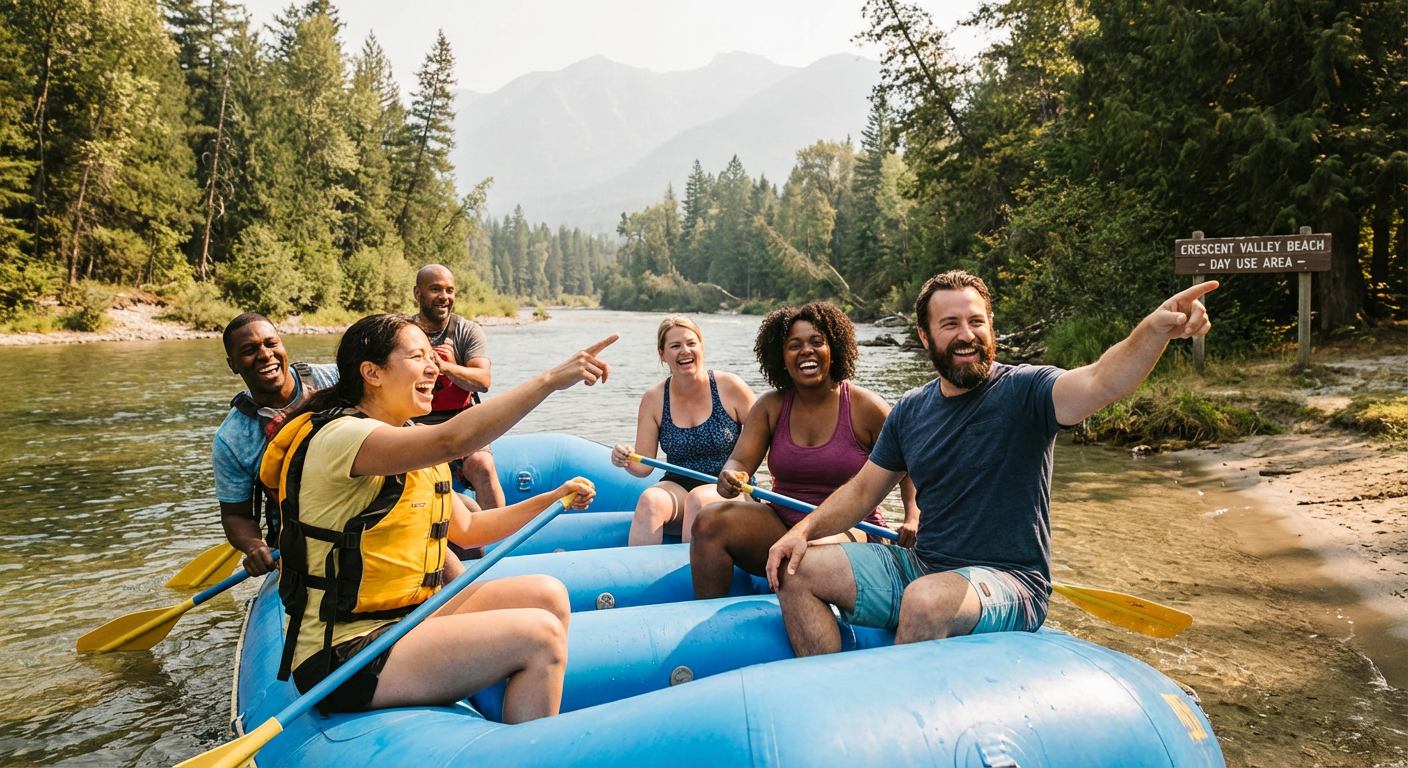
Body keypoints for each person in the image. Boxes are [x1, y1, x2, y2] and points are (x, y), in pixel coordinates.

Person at [766, 271, 1218, 656]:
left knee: (924, 601)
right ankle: (829, 693)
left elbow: (1101, 380)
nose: (966, 334)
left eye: (975, 321)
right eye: (950, 324)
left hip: (1013, 582)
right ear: (925, 336)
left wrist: (1154, 330)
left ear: (990, 327)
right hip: (925, 565)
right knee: (795, 570)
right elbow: (863, 491)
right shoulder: (910, 410)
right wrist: (801, 533)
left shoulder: (1027, 391)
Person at [260, 313, 617, 720]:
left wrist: (552, 499)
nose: (433, 368)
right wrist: (549, 380)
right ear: (372, 373)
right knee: (541, 636)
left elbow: (469, 530)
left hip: (406, 617)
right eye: (417, 357)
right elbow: (454, 439)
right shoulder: (344, 436)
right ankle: (528, 738)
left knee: (548, 594)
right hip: (345, 651)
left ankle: (517, 709)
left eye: (432, 357)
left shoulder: (405, 435)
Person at [689, 302, 919, 599]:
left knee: (806, 552)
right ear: (781, 357)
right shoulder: (770, 406)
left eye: (816, 342)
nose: (806, 351)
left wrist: (913, 517)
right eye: (794, 345)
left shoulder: (867, 407)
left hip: (854, 528)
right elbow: (739, 462)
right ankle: (709, 620)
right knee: (709, 521)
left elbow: (909, 470)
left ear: (833, 349)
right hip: (782, 524)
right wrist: (730, 476)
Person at [610, 316, 756, 545]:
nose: (685, 351)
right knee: (650, 499)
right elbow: (644, 466)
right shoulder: (654, 398)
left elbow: (767, 439)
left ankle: (690, 567)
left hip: (731, 489)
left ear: (701, 347)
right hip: (678, 486)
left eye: (691, 343)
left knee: (698, 500)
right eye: (675, 346)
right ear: (662, 354)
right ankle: (643, 568)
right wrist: (625, 459)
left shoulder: (731, 387)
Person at [213, 313, 338, 577]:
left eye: (271, 344)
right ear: (233, 365)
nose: (265, 355)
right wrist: (254, 546)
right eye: (249, 351)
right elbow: (235, 515)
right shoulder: (231, 438)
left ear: (282, 345)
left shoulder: (336, 379)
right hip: (301, 543)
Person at [412, 264, 505, 511]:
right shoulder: (403, 333)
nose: (444, 296)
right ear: (418, 294)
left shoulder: (467, 331)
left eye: (449, 290)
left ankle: (499, 531)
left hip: (461, 424)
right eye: (435, 289)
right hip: (415, 425)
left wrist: (447, 367)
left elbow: (483, 381)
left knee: (483, 466)